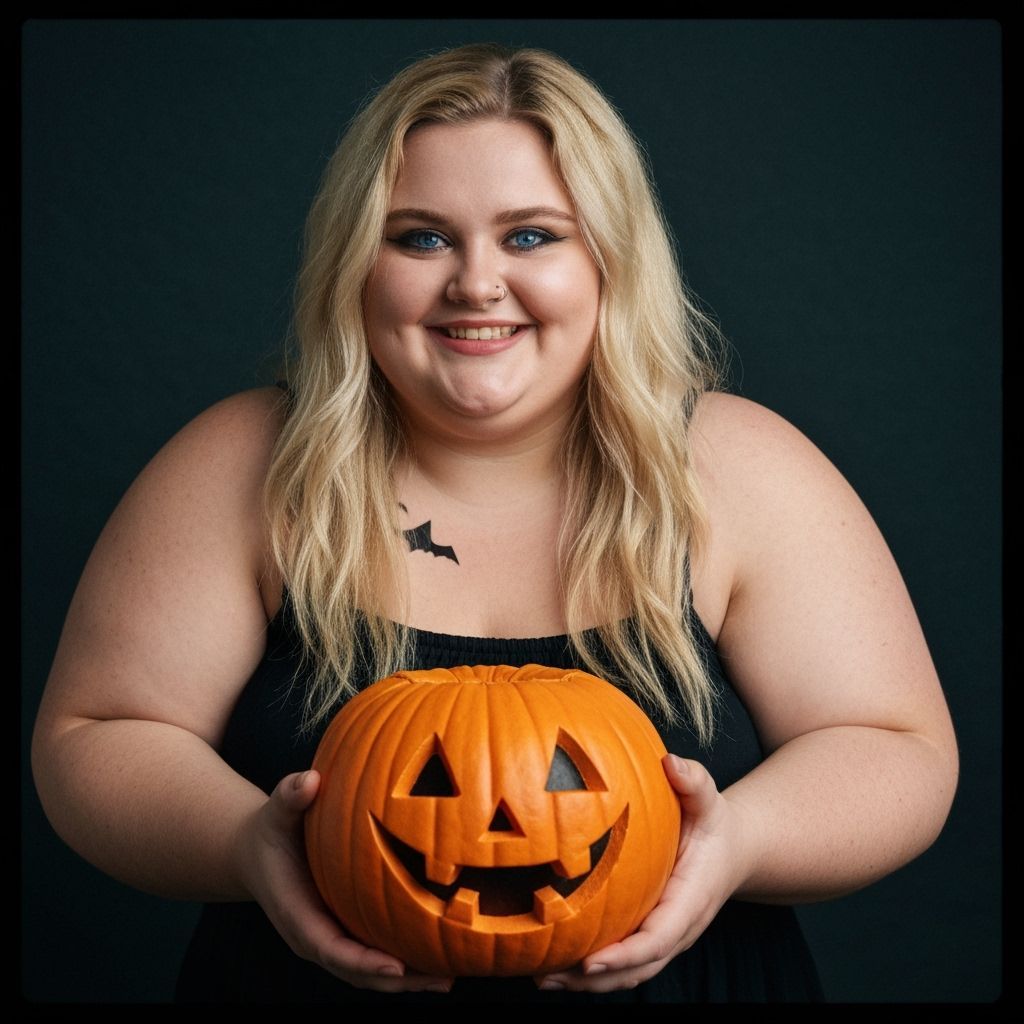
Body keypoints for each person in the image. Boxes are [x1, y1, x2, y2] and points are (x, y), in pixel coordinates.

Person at [31, 43, 958, 1003]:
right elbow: (97, 733)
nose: (476, 284)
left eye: (530, 237)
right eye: (422, 237)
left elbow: (895, 747)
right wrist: (244, 845)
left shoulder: (736, 468)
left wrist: (737, 844)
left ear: (608, 255)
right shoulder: (248, 463)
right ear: (356, 260)